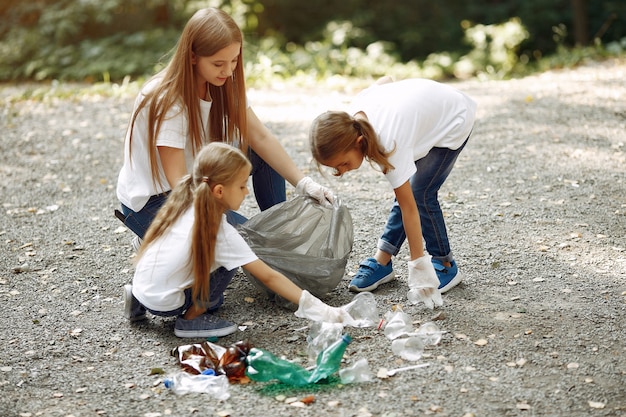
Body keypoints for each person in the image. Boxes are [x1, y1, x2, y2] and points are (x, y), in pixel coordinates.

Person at [116, 7, 332, 241]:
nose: (228, 71)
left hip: (198, 183)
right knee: (248, 244)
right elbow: (178, 184)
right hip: (157, 200)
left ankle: (278, 228)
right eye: (218, 63)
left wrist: (305, 184)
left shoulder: (223, 82)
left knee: (261, 165)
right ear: (192, 56)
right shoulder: (168, 100)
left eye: (234, 61)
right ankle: (155, 241)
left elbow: (260, 138)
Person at [123, 142, 351, 338]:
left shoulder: (181, 202)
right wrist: (321, 310)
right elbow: (270, 277)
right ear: (220, 191)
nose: (246, 192)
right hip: (167, 305)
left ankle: (137, 299)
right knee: (232, 261)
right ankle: (190, 321)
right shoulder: (220, 232)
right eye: (242, 185)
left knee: (203, 264)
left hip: (143, 287)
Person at [308, 77, 477, 307]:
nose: (342, 171)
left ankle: (446, 265)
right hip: (424, 113)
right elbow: (383, 81)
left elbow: (409, 207)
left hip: (453, 118)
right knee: (407, 190)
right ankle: (383, 260)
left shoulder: (387, 143)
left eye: (344, 164)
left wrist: (419, 266)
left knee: (420, 194)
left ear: (358, 142)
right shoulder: (351, 120)